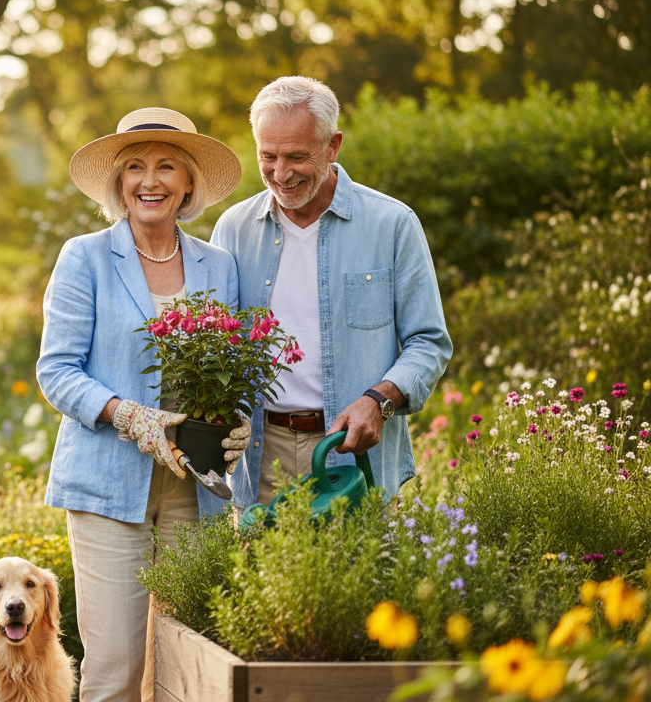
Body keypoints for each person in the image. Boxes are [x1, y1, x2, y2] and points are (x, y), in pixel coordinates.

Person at [36, 107, 249, 702]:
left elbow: (229, 372)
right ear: (118, 183)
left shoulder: (220, 265)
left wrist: (236, 427)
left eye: (165, 167)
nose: (148, 180)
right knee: (117, 668)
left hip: (195, 485)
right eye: (134, 166)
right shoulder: (85, 257)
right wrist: (129, 415)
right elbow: (56, 371)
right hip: (106, 483)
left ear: (188, 184)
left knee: (188, 660)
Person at [212, 76, 452, 508]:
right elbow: (220, 342)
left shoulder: (392, 224)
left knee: (361, 575)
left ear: (333, 146)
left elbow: (429, 342)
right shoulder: (233, 229)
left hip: (354, 452)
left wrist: (379, 400)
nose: (281, 174)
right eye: (268, 156)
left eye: (296, 157)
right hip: (263, 455)